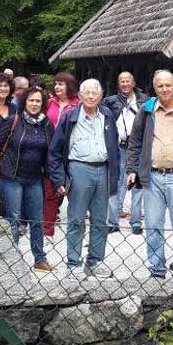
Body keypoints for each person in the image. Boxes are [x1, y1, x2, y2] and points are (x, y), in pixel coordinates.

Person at [126, 70, 173, 279]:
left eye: (168, 85)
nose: (165, 89)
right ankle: (157, 269)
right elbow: (134, 143)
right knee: (153, 225)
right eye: (160, 86)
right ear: (155, 88)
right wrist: (132, 170)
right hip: (152, 178)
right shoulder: (147, 111)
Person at [48, 79, 119, 276]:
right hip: (78, 168)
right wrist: (59, 179)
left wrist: (115, 174)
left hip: (102, 169)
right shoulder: (70, 117)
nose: (90, 96)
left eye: (94, 93)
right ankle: (73, 263)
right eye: (86, 93)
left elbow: (114, 148)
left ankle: (95, 261)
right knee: (76, 219)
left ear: (100, 97)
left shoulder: (107, 116)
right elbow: (54, 151)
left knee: (100, 219)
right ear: (79, 96)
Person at [0, 86, 54, 272]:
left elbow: (52, 154)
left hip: (34, 179)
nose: (34, 104)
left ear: (43, 104)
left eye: (38, 101)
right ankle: (12, 259)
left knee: (37, 220)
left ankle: (39, 258)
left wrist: (56, 179)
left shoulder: (47, 125)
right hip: (12, 177)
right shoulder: (14, 121)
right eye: (31, 100)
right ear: (24, 102)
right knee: (13, 218)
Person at [104, 72, 149, 234]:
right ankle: (112, 221)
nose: (124, 84)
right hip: (119, 147)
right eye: (121, 81)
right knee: (115, 182)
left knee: (138, 183)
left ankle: (136, 222)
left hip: (138, 147)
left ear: (133, 82)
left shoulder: (144, 100)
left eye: (127, 81)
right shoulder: (110, 101)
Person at [43, 72, 80, 238]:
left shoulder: (78, 105)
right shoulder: (49, 103)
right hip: (48, 151)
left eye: (61, 84)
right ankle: (47, 231)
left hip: (70, 153)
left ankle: (75, 232)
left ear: (69, 86)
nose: (57, 87)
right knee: (49, 191)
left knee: (73, 191)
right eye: (56, 83)